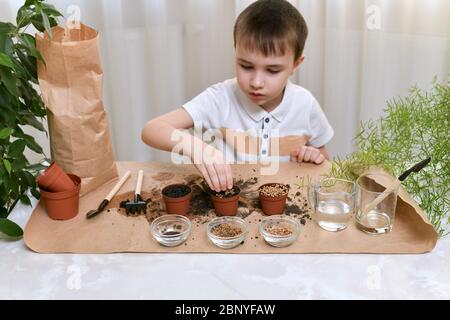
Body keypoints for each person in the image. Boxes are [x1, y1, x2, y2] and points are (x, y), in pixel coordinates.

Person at [141, 0, 334, 193]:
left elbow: (324, 159)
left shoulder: (305, 104)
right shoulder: (219, 99)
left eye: (273, 70)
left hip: (286, 208)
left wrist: (313, 156)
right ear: (236, 53)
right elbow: (152, 129)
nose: (256, 82)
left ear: (295, 64)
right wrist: (196, 148)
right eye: (246, 66)